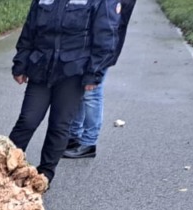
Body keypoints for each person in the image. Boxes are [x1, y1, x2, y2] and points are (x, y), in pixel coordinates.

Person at [8, 0, 118, 185]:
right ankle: (4, 168)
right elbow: (29, 31)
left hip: (73, 72)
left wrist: (94, 73)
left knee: (59, 126)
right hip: (41, 68)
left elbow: (105, 36)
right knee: (27, 120)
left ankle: (45, 175)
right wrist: (20, 64)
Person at [64, 0, 136, 159]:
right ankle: (74, 136)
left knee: (92, 93)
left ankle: (88, 142)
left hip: (101, 48)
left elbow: (110, 28)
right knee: (80, 91)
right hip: (87, 45)